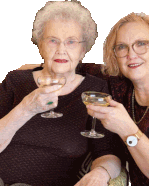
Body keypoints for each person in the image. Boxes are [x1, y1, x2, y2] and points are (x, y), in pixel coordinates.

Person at [21, 12, 149, 185]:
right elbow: (80, 67)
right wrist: (39, 68)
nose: (131, 54)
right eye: (122, 47)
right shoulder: (121, 84)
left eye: (141, 44)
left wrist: (127, 129)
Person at [0, 1, 123, 186]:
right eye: (52, 40)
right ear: (40, 45)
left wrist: (101, 173)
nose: (61, 49)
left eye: (71, 41)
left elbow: (108, 152)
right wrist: (25, 108)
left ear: (83, 50)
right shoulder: (15, 81)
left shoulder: (95, 91)